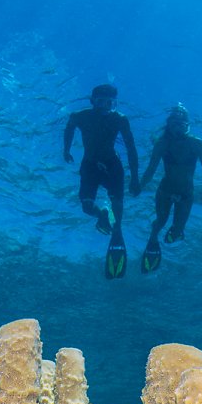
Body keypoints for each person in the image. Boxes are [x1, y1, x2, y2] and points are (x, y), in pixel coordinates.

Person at [63, 84, 139, 272]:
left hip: (112, 164)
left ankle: (117, 230)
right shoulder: (80, 116)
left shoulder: (120, 119)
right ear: (92, 101)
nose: (105, 106)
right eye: (100, 102)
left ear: (114, 103)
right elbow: (70, 127)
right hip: (89, 165)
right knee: (87, 207)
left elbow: (131, 148)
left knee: (117, 202)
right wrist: (66, 149)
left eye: (109, 102)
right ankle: (102, 214)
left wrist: (135, 177)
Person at [134, 104, 202, 273]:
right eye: (174, 125)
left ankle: (175, 231)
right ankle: (153, 239)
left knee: (178, 228)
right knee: (160, 221)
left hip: (186, 194)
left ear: (188, 125)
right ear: (169, 125)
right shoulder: (162, 144)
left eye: (181, 125)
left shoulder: (197, 144)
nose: (178, 129)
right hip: (165, 191)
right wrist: (140, 186)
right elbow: (151, 169)